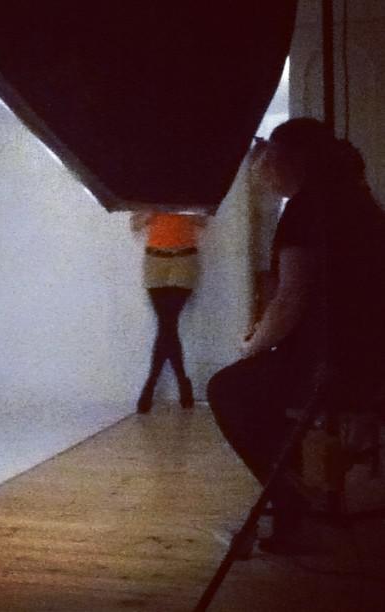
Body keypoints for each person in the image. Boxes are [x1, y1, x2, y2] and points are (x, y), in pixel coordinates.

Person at [207, 117, 385, 553]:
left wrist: (252, 346)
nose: (264, 171)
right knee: (260, 394)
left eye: (270, 159)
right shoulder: (360, 202)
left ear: (295, 160)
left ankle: (292, 499)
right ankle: (295, 501)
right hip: (369, 357)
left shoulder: (307, 209)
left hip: (334, 365)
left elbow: (291, 298)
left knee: (228, 389)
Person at [131, 211, 207, 412]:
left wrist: (182, 209)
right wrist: (151, 213)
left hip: (185, 259)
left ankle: (151, 383)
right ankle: (182, 381)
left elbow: (203, 221)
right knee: (167, 325)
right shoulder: (148, 196)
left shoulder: (189, 195)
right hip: (155, 260)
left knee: (167, 323)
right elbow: (135, 225)